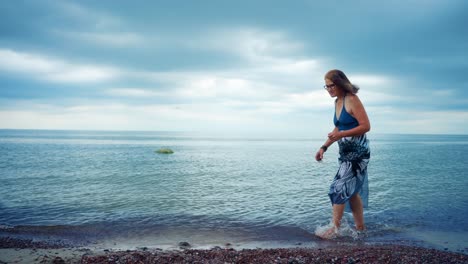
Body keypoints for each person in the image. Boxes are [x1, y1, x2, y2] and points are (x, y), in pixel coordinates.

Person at [315, 69, 371, 239]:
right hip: (345, 154)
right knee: (352, 192)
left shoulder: (352, 99)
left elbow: (366, 126)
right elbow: (339, 127)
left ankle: (335, 228)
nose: (329, 89)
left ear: (340, 84)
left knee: (338, 189)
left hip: (358, 153)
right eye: (326, 86)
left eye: (331, 85)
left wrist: (341, 135)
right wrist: (324, 147)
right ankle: (361, 228)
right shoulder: (337, 102)